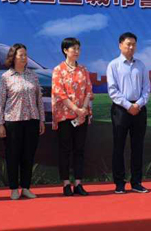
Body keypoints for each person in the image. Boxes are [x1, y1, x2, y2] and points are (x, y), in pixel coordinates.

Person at [0, 43, 45, 200]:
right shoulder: (6, 77)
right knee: (13, 156)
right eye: (21, 55)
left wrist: (41, 120)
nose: (24, 58)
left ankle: (26, 187)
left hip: (32, 120)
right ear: (13, 57)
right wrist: (0, 124)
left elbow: (39, 99)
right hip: (13, 121)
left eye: (25, 55)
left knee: (28, 156)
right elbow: (0, 102)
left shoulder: (33, 76)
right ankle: (13, 189)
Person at [107, 32, 150, 194]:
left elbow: (146, 88)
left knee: (137, 147)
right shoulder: (113, 65)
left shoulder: (141, 65)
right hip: (121, 109)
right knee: (119, 146)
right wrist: (128, 105)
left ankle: (136, 182)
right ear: (120, 45)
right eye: (128, 44)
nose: (131, 47)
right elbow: (112, 90)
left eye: (133, 44)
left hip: (139, 109)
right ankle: (119, 183)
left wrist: (138, 104)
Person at [52, 37, 94, 196]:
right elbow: (60, 94)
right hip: (65, 116)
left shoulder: (83, 69)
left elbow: (88, 90)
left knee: (79, 150)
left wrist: (83, 110)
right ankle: (65, 184)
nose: (76, 51)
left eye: (78, 48)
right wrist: (76, 109)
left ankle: (78, 183)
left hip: (81, 116)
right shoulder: (58, 70)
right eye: (73, 48)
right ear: (65, 50)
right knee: (65, 150)